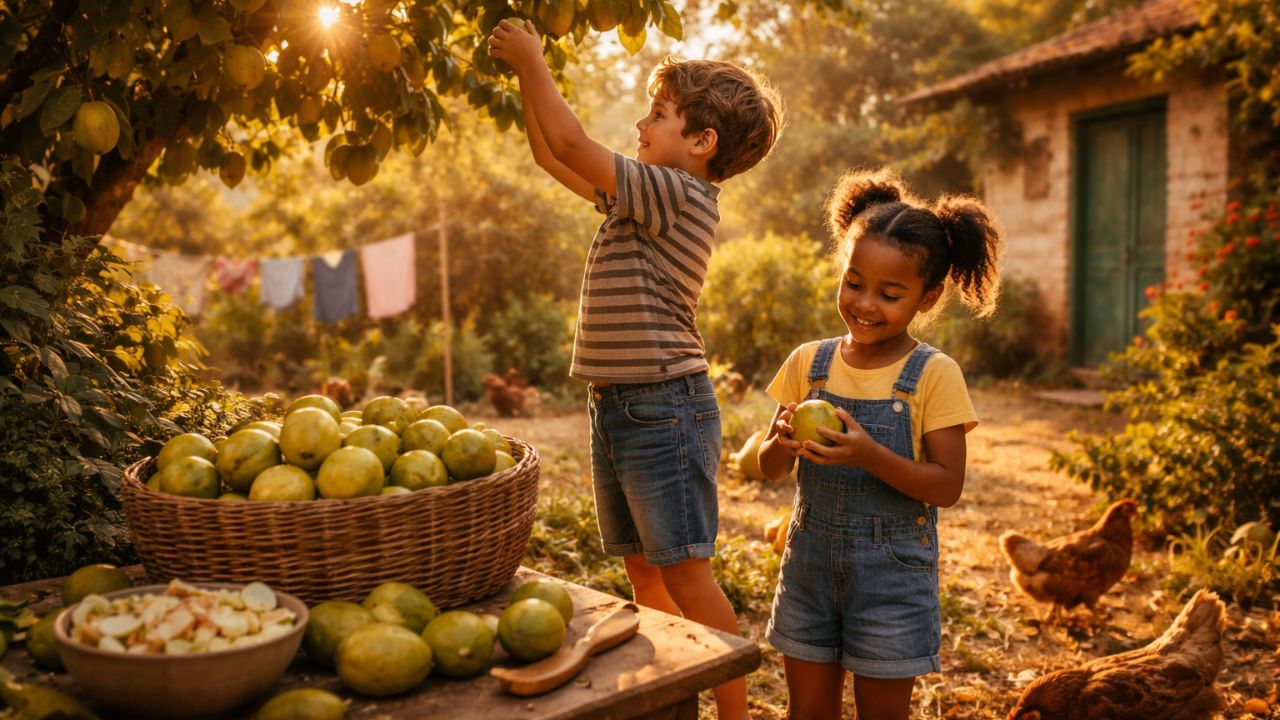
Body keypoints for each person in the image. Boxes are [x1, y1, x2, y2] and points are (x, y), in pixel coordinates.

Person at [488, 19, 784, 720]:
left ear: (701, 143)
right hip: (620, 403)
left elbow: (570, 143)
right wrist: (528, 79)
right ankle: (672, 694)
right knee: (643, 568)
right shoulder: (644, 196)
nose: (642, 124)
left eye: (659, 114)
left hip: (664, 406)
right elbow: (550, 157)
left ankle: (734, 711)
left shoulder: (675, 193)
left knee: (685, 569)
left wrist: (535, 60)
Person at [757, 168, 1003, 720]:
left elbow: (946, 487)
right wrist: (779, 442)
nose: (865, 304)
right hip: (809, 569)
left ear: (928, 295)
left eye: (890, 294)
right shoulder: (808, 363)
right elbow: (769, 469)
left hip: (891, 578)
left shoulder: (935, 375)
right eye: (853, 282)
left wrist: (869, 453)